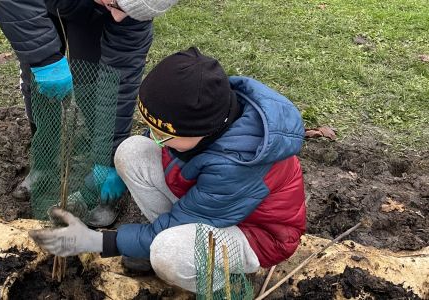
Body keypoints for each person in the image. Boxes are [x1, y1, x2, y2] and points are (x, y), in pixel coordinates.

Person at [29, 47, 307, 291]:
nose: (155, 137)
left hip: (256, 235)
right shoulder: (209, 117)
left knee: (168, 252)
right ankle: (159, 244)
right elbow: (188, 204)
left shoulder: (236, 166)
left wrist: (97, 241)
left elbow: (185, 221)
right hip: (208, 207)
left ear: (203, 131)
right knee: (132, 150)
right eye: (151, 127)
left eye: (163, 135)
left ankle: (225, 282)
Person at [0, 0, 179, 226]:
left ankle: (99, 170)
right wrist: (43, 58)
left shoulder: (129, 13)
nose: (119, 16)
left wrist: (110, 156)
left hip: (93, 12)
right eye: (116, 3)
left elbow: (120, 80)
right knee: (39, 82)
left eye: (127, 11)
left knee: (94, 82)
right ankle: (44, 164)